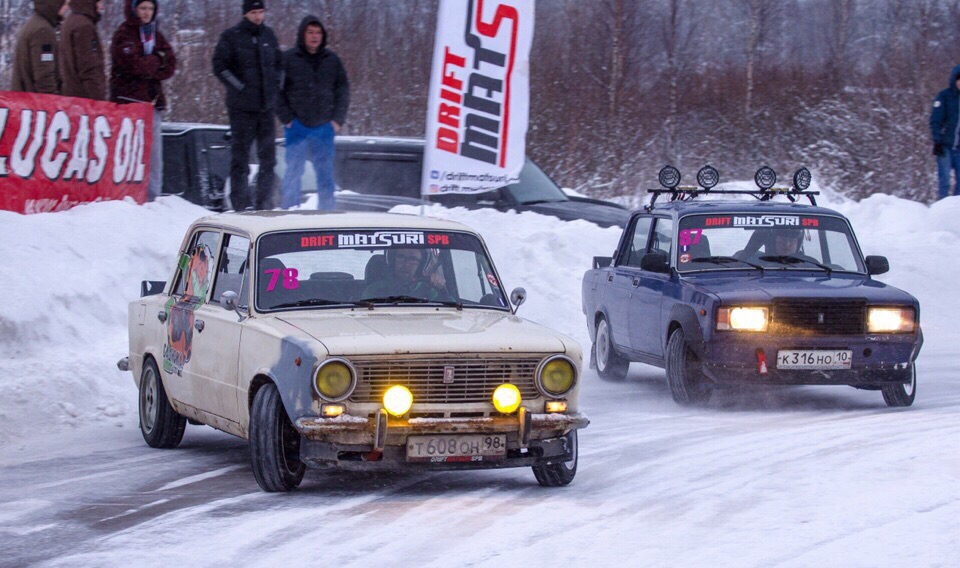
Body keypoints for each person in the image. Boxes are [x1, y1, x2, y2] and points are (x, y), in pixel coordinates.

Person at [212, 0, 283, 211]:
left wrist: (276, 86)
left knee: (268, 160)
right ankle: (240, 205)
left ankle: (264, 204)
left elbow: (280, 64)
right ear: (245, 14)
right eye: (254, 12)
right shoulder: (231, 36)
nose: (258, 16)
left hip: (266, 108)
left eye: (261, 12)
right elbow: (219, 66)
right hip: (241, 109)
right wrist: (239, 87)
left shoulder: (268, 35)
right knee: (240, 159)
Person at [277, 15, 350, 210]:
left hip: (324, 127)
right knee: (293, 172)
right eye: (310, 32)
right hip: (296, 126)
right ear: (302, 34)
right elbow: (276, 91)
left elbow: (343, 90)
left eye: (318, 32)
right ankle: (289, 215)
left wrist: (337, 120)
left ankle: (326, 217)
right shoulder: (288, 58)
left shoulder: (332, 60)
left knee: (325, 175)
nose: (314, 36)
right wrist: (287, 118)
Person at [110, 0, 177, 202]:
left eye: (150, 8)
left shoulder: (155, 34)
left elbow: (170, 64)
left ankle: (153, 199)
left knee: (154, 157)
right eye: (143, 8)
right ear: (134, 9)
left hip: (152, 102)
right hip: (128, 103)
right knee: (129, 154)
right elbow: (134, 65)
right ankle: (124, 197)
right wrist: (157, 60)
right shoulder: (124, 33)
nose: (147, 13)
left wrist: (151, 64)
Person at [10, 0, 68, 94]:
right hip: (34, 99)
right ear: (55, 4)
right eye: (64, 4)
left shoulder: (36, 24)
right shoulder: (43, 31)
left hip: (25, 97)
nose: (67, 8)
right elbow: (44, 76)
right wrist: (52, 100)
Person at [60, 0, 106, 100]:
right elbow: (89, 69)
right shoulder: (84, 27)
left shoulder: (69, 21)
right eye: (99, 2)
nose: (102, 7)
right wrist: (99, 101)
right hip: (84, 100)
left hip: (72, 97)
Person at [362, 249, 449, 301]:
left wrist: (441, 288)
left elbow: (451, 313)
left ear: (421, 265)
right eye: (401, 257)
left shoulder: (429, 290)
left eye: (413, 259)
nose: (406, 264)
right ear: (392, 260)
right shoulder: (375, 289)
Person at [930, 65, 960, 200]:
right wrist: (937, 141)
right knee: (945, 181)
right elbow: (935, 120)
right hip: (945, 146)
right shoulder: (944, 96)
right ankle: (942, 207)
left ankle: (955, 208)